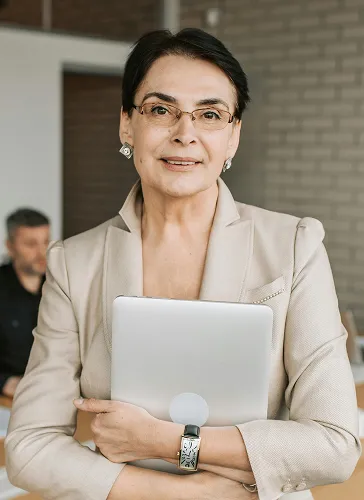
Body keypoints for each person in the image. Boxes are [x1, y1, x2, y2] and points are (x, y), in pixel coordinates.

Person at [5, 29, 361, 500]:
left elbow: (335, 445)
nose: (184, 133)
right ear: (127, 125)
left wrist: (164, 442)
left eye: (210, 114)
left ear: (234, 136)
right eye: (159, 109)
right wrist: (187, 493)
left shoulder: (294, 246)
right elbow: (28, 447)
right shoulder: (74, 264)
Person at [0, 208, 49, 398]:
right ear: (10, 247)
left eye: (46, 241)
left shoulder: (60, 284)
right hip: (9, 399)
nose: (42, 252)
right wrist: (4, 382)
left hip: (53, 393)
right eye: (30, 244)